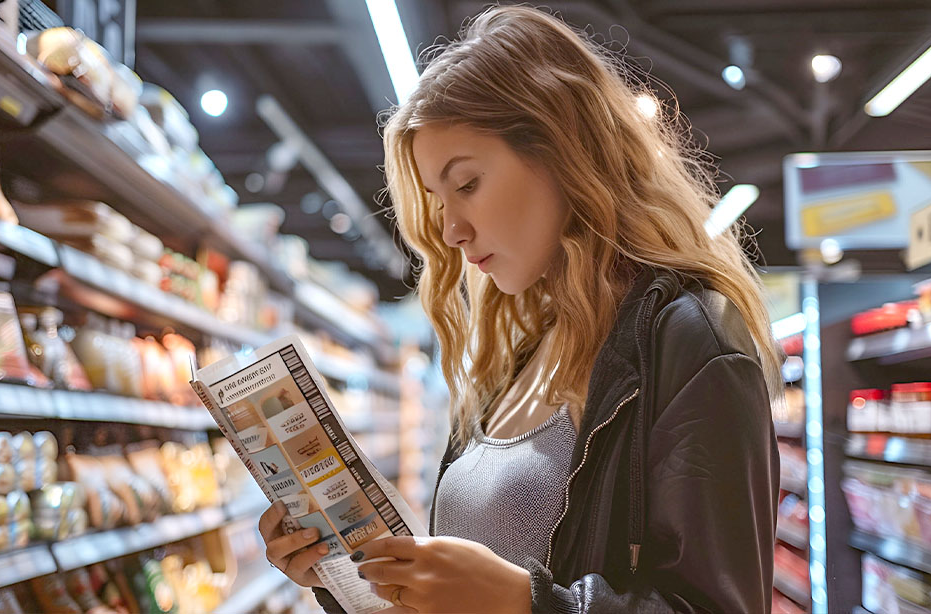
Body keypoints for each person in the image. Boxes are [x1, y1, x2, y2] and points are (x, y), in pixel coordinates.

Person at [259, 5, 781, 613]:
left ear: (561, 153)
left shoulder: (691, 341)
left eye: (468, 184)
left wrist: (528, 603)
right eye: (437, 198)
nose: (450, 230)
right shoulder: (521, 354)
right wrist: (344, 578)